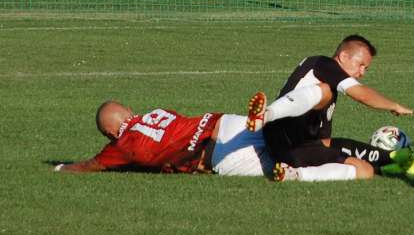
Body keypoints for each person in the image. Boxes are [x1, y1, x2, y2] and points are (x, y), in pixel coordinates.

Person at [246, 34, 414, 181]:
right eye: (361, 65)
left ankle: (388, 160)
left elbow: (323, 141)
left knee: (362, 167)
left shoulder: (326, 84)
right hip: (286, 142)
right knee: (326, 91)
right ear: (344, 56)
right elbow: (361, 94)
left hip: (293, 144)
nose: (362, 72)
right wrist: (394, 105)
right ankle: (294, 170)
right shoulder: (323, 64)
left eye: (366, 68)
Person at [55, 101, 360, 182]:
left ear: (110, 133)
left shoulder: (122, 146)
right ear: (131, 112)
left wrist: (62, 168)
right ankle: (362, 152)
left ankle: (351, 169)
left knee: (291, 166)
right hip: (226, 122)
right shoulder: (158, 113)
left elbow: (94, 164)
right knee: (298, 143)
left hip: (218, 153)